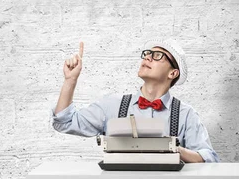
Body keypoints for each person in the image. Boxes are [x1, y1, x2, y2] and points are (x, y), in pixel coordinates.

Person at [51, 39, 220, 163]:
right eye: (147, 54)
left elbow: (210, 159)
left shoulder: (186, 114)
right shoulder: (113, 105)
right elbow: (64, 122)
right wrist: (70, 80)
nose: (147, 58)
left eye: (157, 55)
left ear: (173, 73)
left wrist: (174, 148)